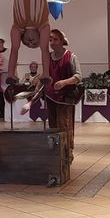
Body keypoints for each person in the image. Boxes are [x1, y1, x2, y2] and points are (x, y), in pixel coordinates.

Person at [45, 29, 82, 161]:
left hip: (66, 97)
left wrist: (64, 82)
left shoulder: (71, 56)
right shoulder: (47, 57)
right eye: (50, 39)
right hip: (51, 97)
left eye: (55, 39)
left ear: (61, 41)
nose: (52, 42)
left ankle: (68, 152)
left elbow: (78, 76)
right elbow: (45, 76)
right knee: (53, 126)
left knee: (65, 126)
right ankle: (56, 152)